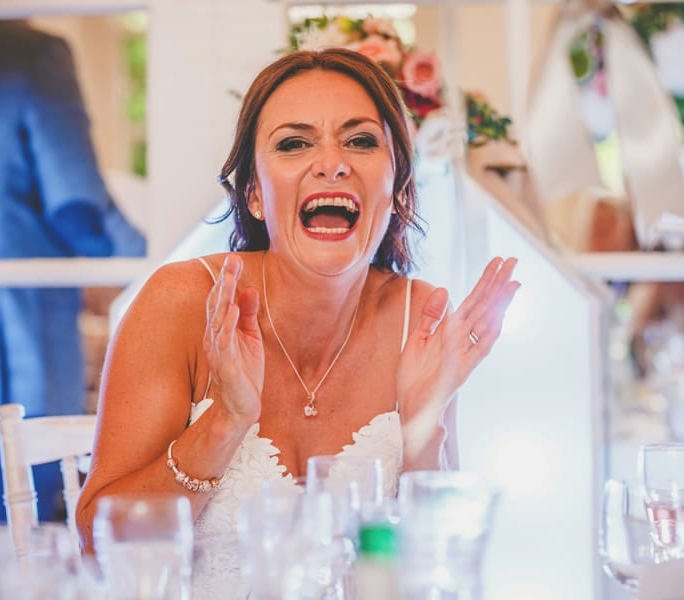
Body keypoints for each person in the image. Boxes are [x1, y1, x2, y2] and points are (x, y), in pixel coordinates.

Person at [75, 48, 519, 597]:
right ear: (256, 194)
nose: (332, 162)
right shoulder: (183, 301)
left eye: (360, 141)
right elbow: (99, 540)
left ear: (399, 188)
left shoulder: (420, 318)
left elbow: (434, 574)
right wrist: (226, 421)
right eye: (293, 143)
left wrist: (422, 426)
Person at [0, 20, 146, 522]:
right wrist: (162, 261)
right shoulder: (31, 54)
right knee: (20, 544)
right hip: (9, 356)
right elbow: (78, 208)